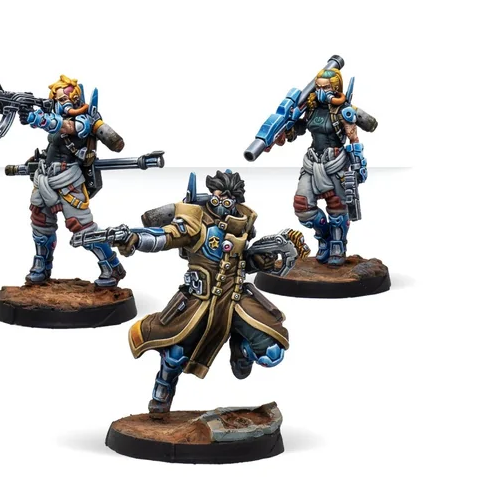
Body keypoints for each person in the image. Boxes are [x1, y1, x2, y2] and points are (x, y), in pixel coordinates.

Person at [116, 170, 290, 414]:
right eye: (218, 197)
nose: (222, 203)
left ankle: (240, 350)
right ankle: (163, 388)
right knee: (175, 353)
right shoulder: (195, 222)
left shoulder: (243, 224)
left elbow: (241, 262)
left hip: (235, 301)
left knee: (272, 353)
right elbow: (165, 236)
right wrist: (136, 238)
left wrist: (261, 262)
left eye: (229, 199)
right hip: (199, 302)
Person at [19, 75, 126, 286]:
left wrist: (38, 119)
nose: (61, 103)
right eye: (57, 99)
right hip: (45, 177)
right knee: (40, 223)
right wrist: (28, 116)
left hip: (68, 180)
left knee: (82, 228)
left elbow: (65, 127)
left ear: (75, 98)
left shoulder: (84, 120)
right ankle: (42, 265)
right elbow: (52, 129)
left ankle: (112, 266)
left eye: (64, 98)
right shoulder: (53, 115)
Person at [279, 67, 372, 267]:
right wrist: (286, 129)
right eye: (318, 87)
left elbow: (357, 135)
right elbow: (300, 128)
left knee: (337, 208)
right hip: (312, 161)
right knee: (303, 207)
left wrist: (358, 163)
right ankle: (325, 237)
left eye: (326, 87)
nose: (321, 91)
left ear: (335, 88)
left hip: (336, 162)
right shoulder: (311, 107)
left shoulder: (343, 111)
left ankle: (338, 245)